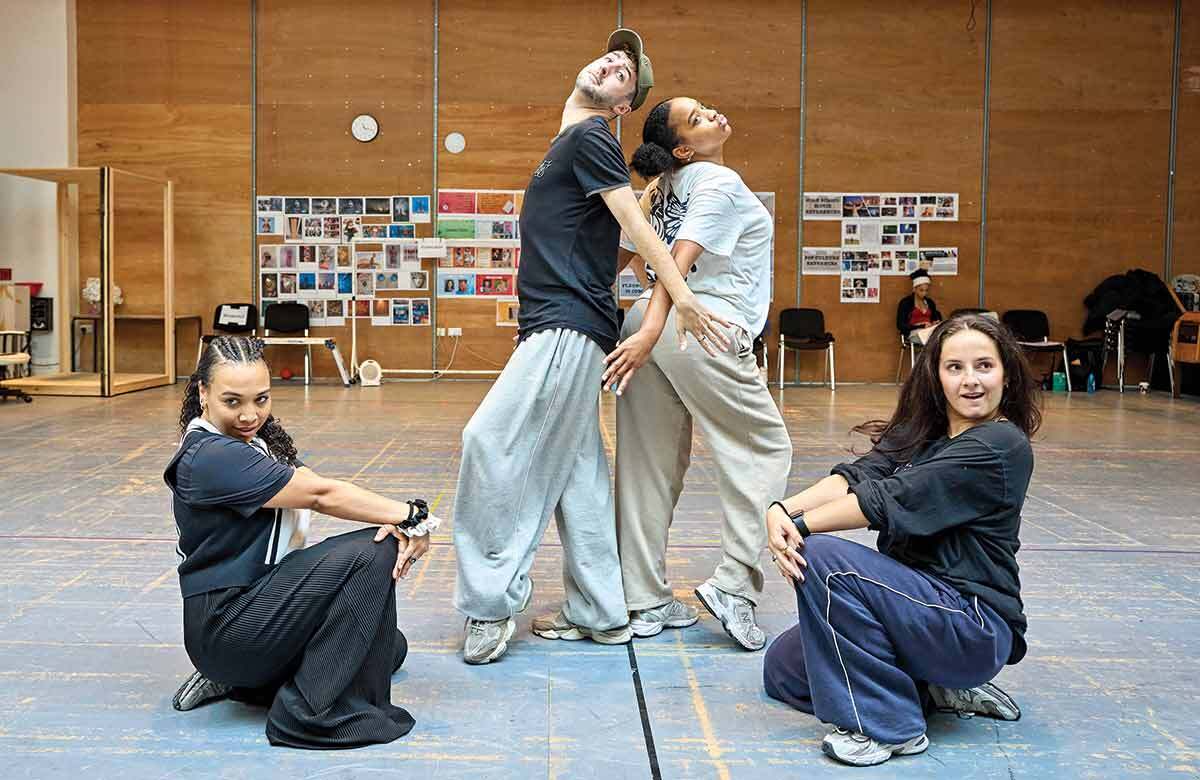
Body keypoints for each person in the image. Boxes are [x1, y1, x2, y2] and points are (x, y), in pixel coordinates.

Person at [452, 28, 732, 665]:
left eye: (627, 74)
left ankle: (490, 601)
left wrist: (679, 297)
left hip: (566, 325)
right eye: (612, 57)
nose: (616, 64)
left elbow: (632, 220)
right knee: (579, 474)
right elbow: (622, 234)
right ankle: (602, 610)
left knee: (487, 442)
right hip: (561, 322)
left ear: (622, 106)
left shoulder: (591, 137)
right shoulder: (568, 144)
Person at [761, 313, 1039, 766]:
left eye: (983, 366)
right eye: (955, 368)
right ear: (935, 376)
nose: (971, 381)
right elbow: (860, 475)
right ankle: (932, 689)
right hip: (915, 608)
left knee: (825, 560)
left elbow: (889, 496)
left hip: (970, 622)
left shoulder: (999, 445)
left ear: (1006, 374)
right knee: (786, 669)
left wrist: (803, 528)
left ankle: (892, 726)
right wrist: (782, 509)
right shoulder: (924, 434)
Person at [166, 336, 440, 749]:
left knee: (390, 648)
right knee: (374, 551)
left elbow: (311, 483)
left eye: (261, 399)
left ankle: (247, 681)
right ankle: (304, 716)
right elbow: (321, 497)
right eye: (232, 401)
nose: (249, 415)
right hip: (228, 626)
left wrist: (399, 517)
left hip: (263, 600)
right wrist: (411, 517)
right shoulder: (210, 456)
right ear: (202, 393)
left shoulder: (258, 444)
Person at [602, 98, 792, 650]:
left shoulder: (654, 191)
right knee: (763, 450)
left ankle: (641, 597)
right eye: (698, 117)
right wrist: (653, 328)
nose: (713, 114)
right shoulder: (718, 181)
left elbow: (615, 260)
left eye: (706, 107)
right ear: (683, 148)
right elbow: (677, 264)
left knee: (647, 464)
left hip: (643, 324)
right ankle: (735, 582)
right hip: (700, 325)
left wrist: (637, 330)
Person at [895, 269, 942, 343]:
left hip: (929, 332)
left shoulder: (930, 302)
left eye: (926, 290)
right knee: (932, 339)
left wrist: (935, 323)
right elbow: (900, 325)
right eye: (921, 290)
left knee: (941, 337)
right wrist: (921, 326)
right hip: (914, 333)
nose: (924, 293)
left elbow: (935, 318)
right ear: (914, 289)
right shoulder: (906, 303)